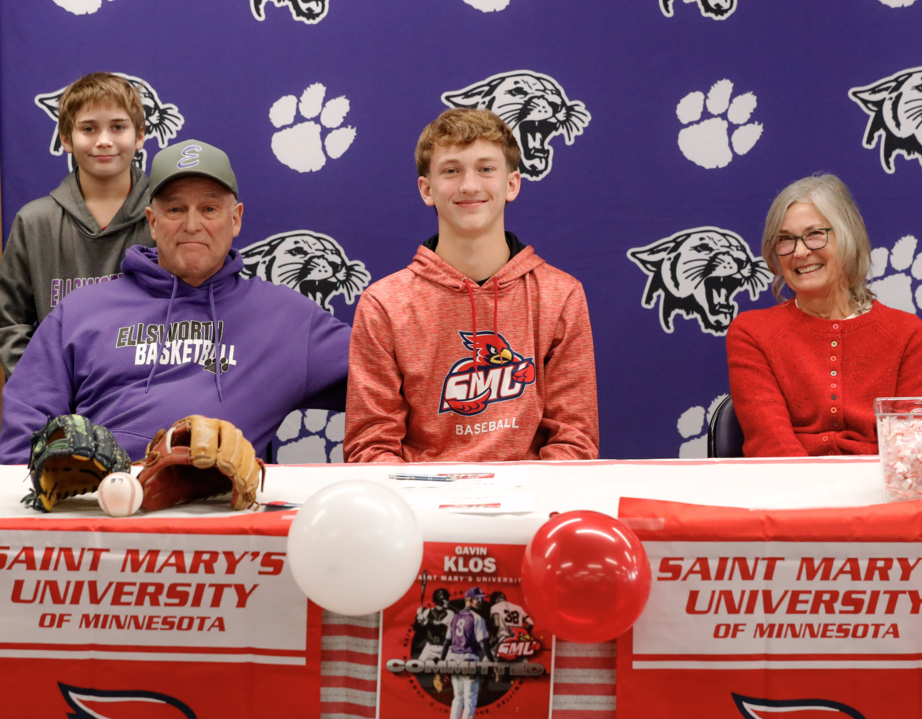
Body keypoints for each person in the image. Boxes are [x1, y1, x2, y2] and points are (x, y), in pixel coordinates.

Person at [0, 139, 350, 463]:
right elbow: (23, 428)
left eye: (209, 208)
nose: (192, 225)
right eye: (175, 209)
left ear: (235, 219)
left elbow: (377, 375)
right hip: (102, 497)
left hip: (219, 500)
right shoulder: (81, 310)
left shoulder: (288, 319)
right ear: (152, 222)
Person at [344, 108, 599, 462]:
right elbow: (370, 448)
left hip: (530, 496)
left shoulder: (560, 295)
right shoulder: (384, 304)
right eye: (451, 170)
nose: (469, 185)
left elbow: (575, 442)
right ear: (426, 189)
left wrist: (524, 495)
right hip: (420, 496)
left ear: (512, 184)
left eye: (486, 169)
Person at [726, 174, 922, 457]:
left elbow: (912, 448)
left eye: (814, 234)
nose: (800, 252)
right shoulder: (751, 332)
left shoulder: (906, 331)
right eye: (785, 239)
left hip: (879, 481)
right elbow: (772, 445)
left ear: (848, 237)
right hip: (790, 482)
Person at [0, 72, 153, 377]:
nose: (104, 141)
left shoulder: (169, 215)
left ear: (139, 136)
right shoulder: (34, 222)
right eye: (89, 128)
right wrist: (43, 386)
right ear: (66, 139)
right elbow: (10, 322)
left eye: (118, 127)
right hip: (56, 394)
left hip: (147, 393)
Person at [441, 587, 492, 719]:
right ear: (469, 600)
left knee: (458, 697)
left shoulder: (454, 617)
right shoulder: (477, 618)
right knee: (470, 699)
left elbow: (447, 642)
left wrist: (441, 663)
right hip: (469, 660)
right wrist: (493, 663)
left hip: (454, 662)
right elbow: (483, 644)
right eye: (478, 598)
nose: (481, 601)